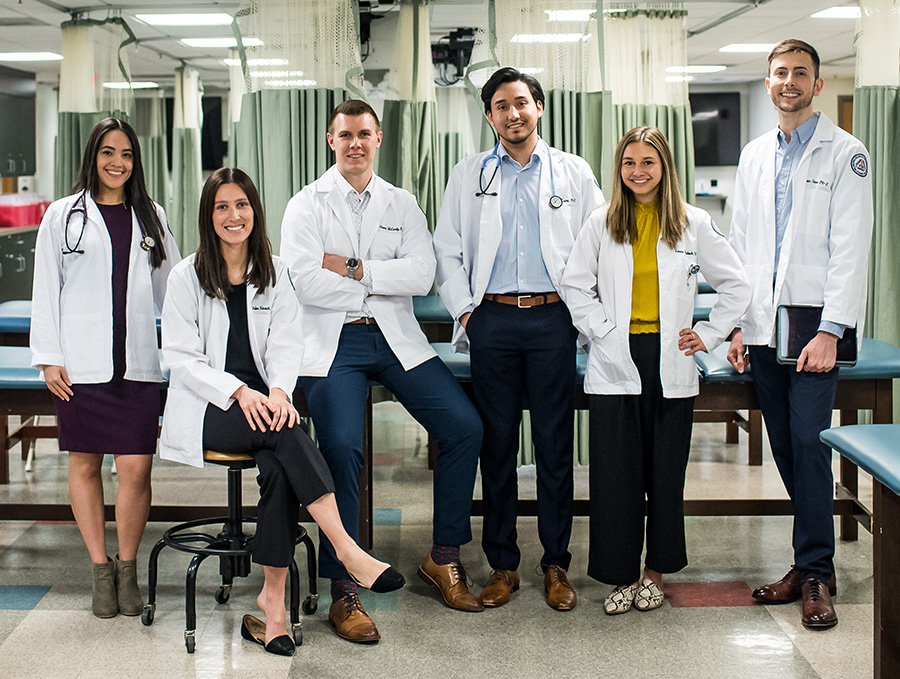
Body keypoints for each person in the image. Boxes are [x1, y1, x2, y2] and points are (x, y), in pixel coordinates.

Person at [160, 167, 405, 656]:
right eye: (222, 207)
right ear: (209, 216)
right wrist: (240, 393)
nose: (234, 216)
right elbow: (182, 359)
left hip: (266, 406)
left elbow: (288, 343)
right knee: (286, 437)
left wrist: (276, 391)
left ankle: (272, 608)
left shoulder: (271, 271)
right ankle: (347, 549)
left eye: (242, 205)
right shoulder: (186, 275)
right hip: (211, 408)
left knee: (278, 463)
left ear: (256, 210)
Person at [281, 100, 483, 643]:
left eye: (364, 135)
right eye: (345, 135)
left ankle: (443, 556)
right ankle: (343, 589)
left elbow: (422, 276)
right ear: (330, 140)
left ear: (379, 138)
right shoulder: (305, 206)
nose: (355, 144)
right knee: (342, 448)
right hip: (332, 342)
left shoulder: (401, 201)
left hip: (394, 336)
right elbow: (302, 281)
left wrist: (351, 268)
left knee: (464, 428)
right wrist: (378, 279)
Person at [433, 67, 604, 611]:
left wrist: (584, 317)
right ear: (490, 116)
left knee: (555, 447)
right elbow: (447, 250)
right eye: (502, 105)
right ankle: (503, 565)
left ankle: (556, 564)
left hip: (554, 320)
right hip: (493, 322)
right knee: (497, 446)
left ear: (540, 108)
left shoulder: (573, 173)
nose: (513, 113)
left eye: (522, 103)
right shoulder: (468, 174)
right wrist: (465, 314)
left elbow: (599, 244)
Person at [561, 127, 750, 614]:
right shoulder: (602, 221)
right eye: (629, 162)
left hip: (672, 361)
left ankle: (654, 573)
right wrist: (603, 330)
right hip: (615, 359)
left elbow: (736, 286)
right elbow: (574, 284)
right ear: (618, 169)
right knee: (615, 477)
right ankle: (621, 576)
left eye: (648, 162)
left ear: (665, 166)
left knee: (664, 477)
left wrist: (708, 335)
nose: (638, 172)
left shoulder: (694, 223)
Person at [726, 39, 873, 631]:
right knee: (786, 446)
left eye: (801, 74)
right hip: (763, 321)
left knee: (810, 444)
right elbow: (739, 247)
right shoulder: (756, 153)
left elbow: (851, 247)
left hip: (815, 322)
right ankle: (812, 561)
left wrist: (833, 329)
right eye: (780, 73)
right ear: (768, 83)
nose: (789, 82)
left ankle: (815, 573)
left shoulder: (848, 153)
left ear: (817, 84)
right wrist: (735, 320)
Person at [30, 118, 180, 619]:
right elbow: (44, 290)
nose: (117, 162)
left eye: (127, 155)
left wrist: (188, 351)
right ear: (92, 157)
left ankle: (129, 566)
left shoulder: (151, 216)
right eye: (108, 152)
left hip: (137, 364)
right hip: (80, 365)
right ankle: (100, 570)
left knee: (136, 468)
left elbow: (175, 290)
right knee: (85, 464)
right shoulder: (61, 216)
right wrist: (49, 357)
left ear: (136, 162)